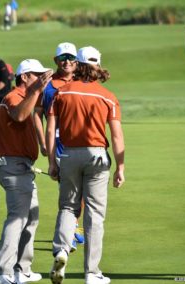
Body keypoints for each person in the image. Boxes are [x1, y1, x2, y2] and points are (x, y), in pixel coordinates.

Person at [47, 46, 125, 284]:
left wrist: (52, 161)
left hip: (69, 155)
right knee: (95, 214)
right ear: (97, 66)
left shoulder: (61, 92)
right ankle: (92, 273)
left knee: (69, 207)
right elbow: (117, 136)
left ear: (78, 65)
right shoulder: (107, 96)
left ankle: (61, 249)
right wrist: (120, 167)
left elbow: (51, 129)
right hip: (97, 156)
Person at [0, 59, 53, 284]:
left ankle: (22, 269)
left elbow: (33, 115)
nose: (40, 78)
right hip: (14, 167)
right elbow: (19, 115)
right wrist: (36, 90)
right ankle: (3, 272)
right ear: (24, 77)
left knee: (32, 218)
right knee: (17, 218)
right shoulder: (12, 97)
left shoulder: (29, 96)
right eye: (36, 75)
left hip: (24, 167)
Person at [33, 42, 84, 252]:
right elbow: (36, 113)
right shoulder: (48, 85)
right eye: (63, 58)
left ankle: (73, 226)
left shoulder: (82, 82)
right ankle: (67, 233)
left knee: (80, 190)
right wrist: (42, 141)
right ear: (56, 61)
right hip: (59, 143)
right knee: (68, 190)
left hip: (81, 141)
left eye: (71, 58)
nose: (67, 62)